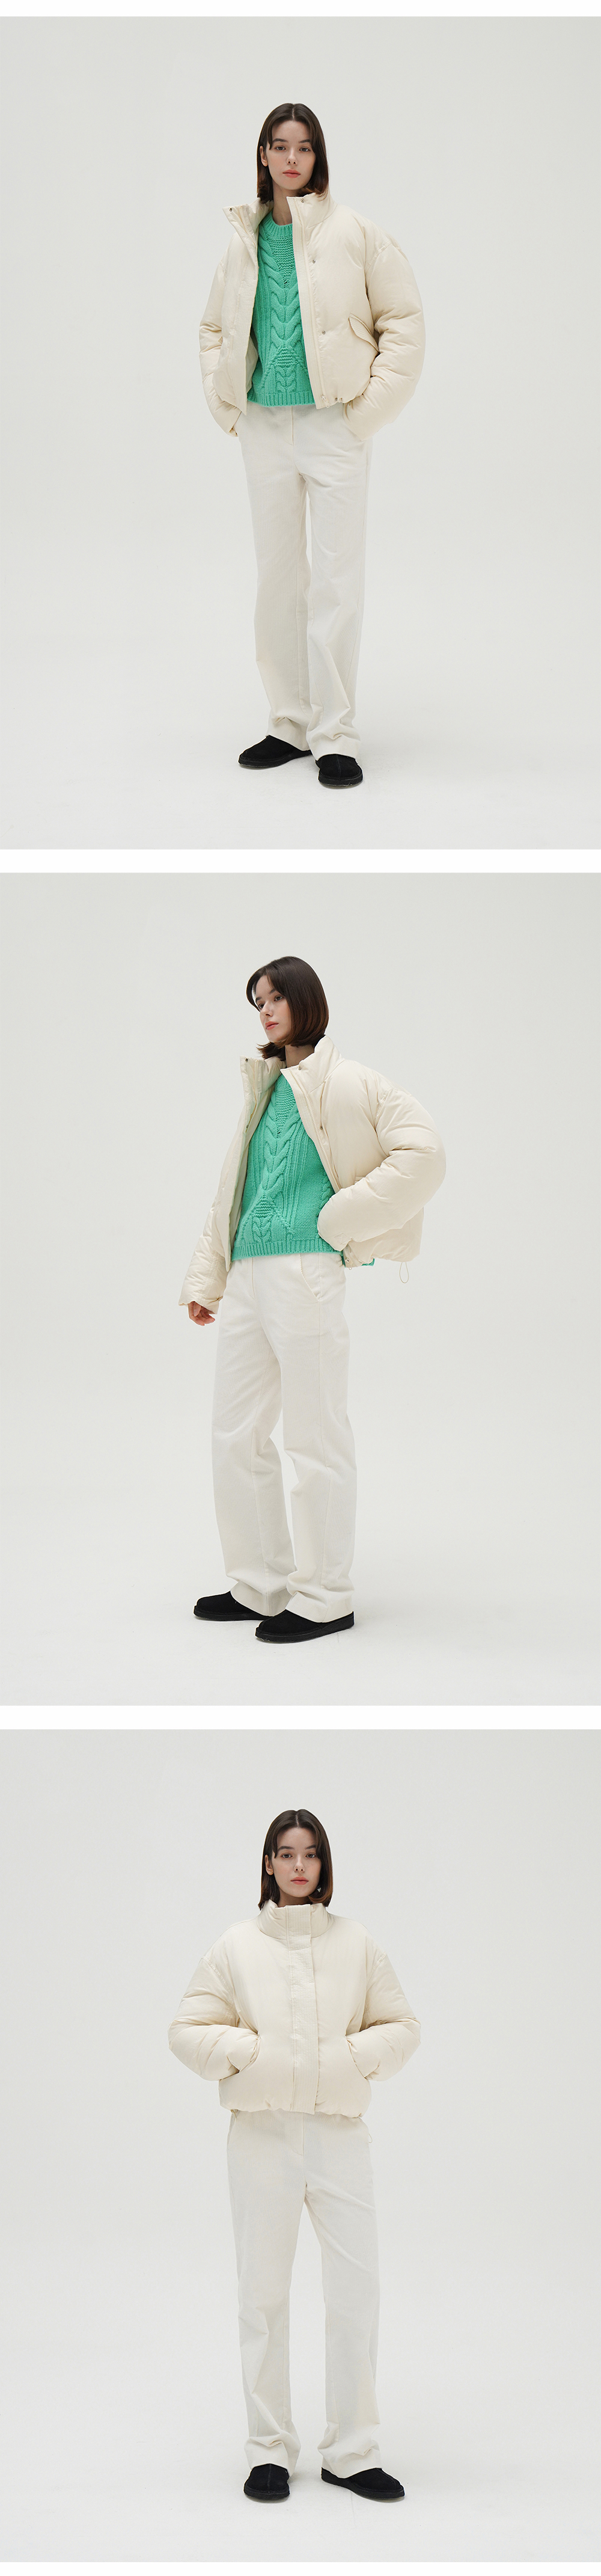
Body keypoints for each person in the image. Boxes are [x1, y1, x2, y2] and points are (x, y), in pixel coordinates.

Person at [180, 955, 445, 1643]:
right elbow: (234, 1191)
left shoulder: (349, 1080)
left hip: (304, 1272)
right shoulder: (264, 1086)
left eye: (275, 998)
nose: (265, 1011)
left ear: (307, 1002)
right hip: (248, 1275)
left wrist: (338, 1220)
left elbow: (423, 1154)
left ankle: (325, 1597)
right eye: (257, 1002)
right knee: (234, 1435)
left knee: (314, 1435)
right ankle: (260, 1584)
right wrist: (210, 1278)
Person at [168, 1807, 420, 2503]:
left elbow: (402, 2025)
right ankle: (269, 2450)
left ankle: (352, 2453)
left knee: (356, 2294)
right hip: (262, 2137)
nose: (299, 1865)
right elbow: (186, 2029)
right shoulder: (236, 1945)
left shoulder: (356, 1943)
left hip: (340, 2137)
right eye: (286, 1854)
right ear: (268, 1865)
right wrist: (248, 2052)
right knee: (262, 2296)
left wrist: (350, 2056)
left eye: (310, 1854)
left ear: (324, 1863)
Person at [200, 102, 426, 788]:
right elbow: (213, 329)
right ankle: (289, 723)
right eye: (280, 146)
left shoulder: (356, 232)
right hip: (264, 428)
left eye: (303, 147)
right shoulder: (243, 239)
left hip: (334, 426)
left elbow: (404, 322)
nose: (292, 159)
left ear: (318, 156)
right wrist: (228, 404)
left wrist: (362, 417)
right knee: (277, 579)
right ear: (263, 155)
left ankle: (336, 735)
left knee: (335, 580)